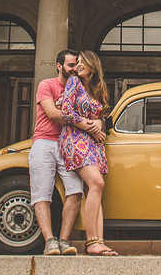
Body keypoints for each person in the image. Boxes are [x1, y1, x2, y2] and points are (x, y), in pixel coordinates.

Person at [57, 50, 116, 256]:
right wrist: (90, 126)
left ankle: (99, 241)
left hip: (94, 143)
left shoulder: (99, 90)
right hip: (74, 138)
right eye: (77, 62)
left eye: (82, 62)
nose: (78, 65)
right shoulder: (74, 83)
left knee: (97, 187)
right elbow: (66, 111)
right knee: (96, 183)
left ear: (92, 65)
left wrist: (100, 123)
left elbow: (105, 116)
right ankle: (91, 241)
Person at [30, 49, 83, 255]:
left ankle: (63, 240)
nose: (74, 70)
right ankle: (49, 241)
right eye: (70, 66)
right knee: (42, 193)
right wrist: (83, 122)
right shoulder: (47, 85)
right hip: (44, 142)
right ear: (59, 66)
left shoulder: (79, 88)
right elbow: (52, 113)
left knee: (76, 191)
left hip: (68, 144)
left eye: (77, 67)